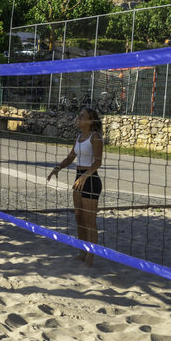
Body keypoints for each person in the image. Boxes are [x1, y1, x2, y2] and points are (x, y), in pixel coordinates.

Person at [46, 107, 104, 267]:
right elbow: (71, 157)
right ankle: (82, 251)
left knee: (89, 220)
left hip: (91, 180)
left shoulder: (95, 137)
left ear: (90, 121)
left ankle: (90, 256)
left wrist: (86, 176)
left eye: (82, 116)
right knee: (79, 217)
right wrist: (57, 168)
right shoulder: (79, 137)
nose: (78, 117)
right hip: (79, 179)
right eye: (78, 115)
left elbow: (98, 162)